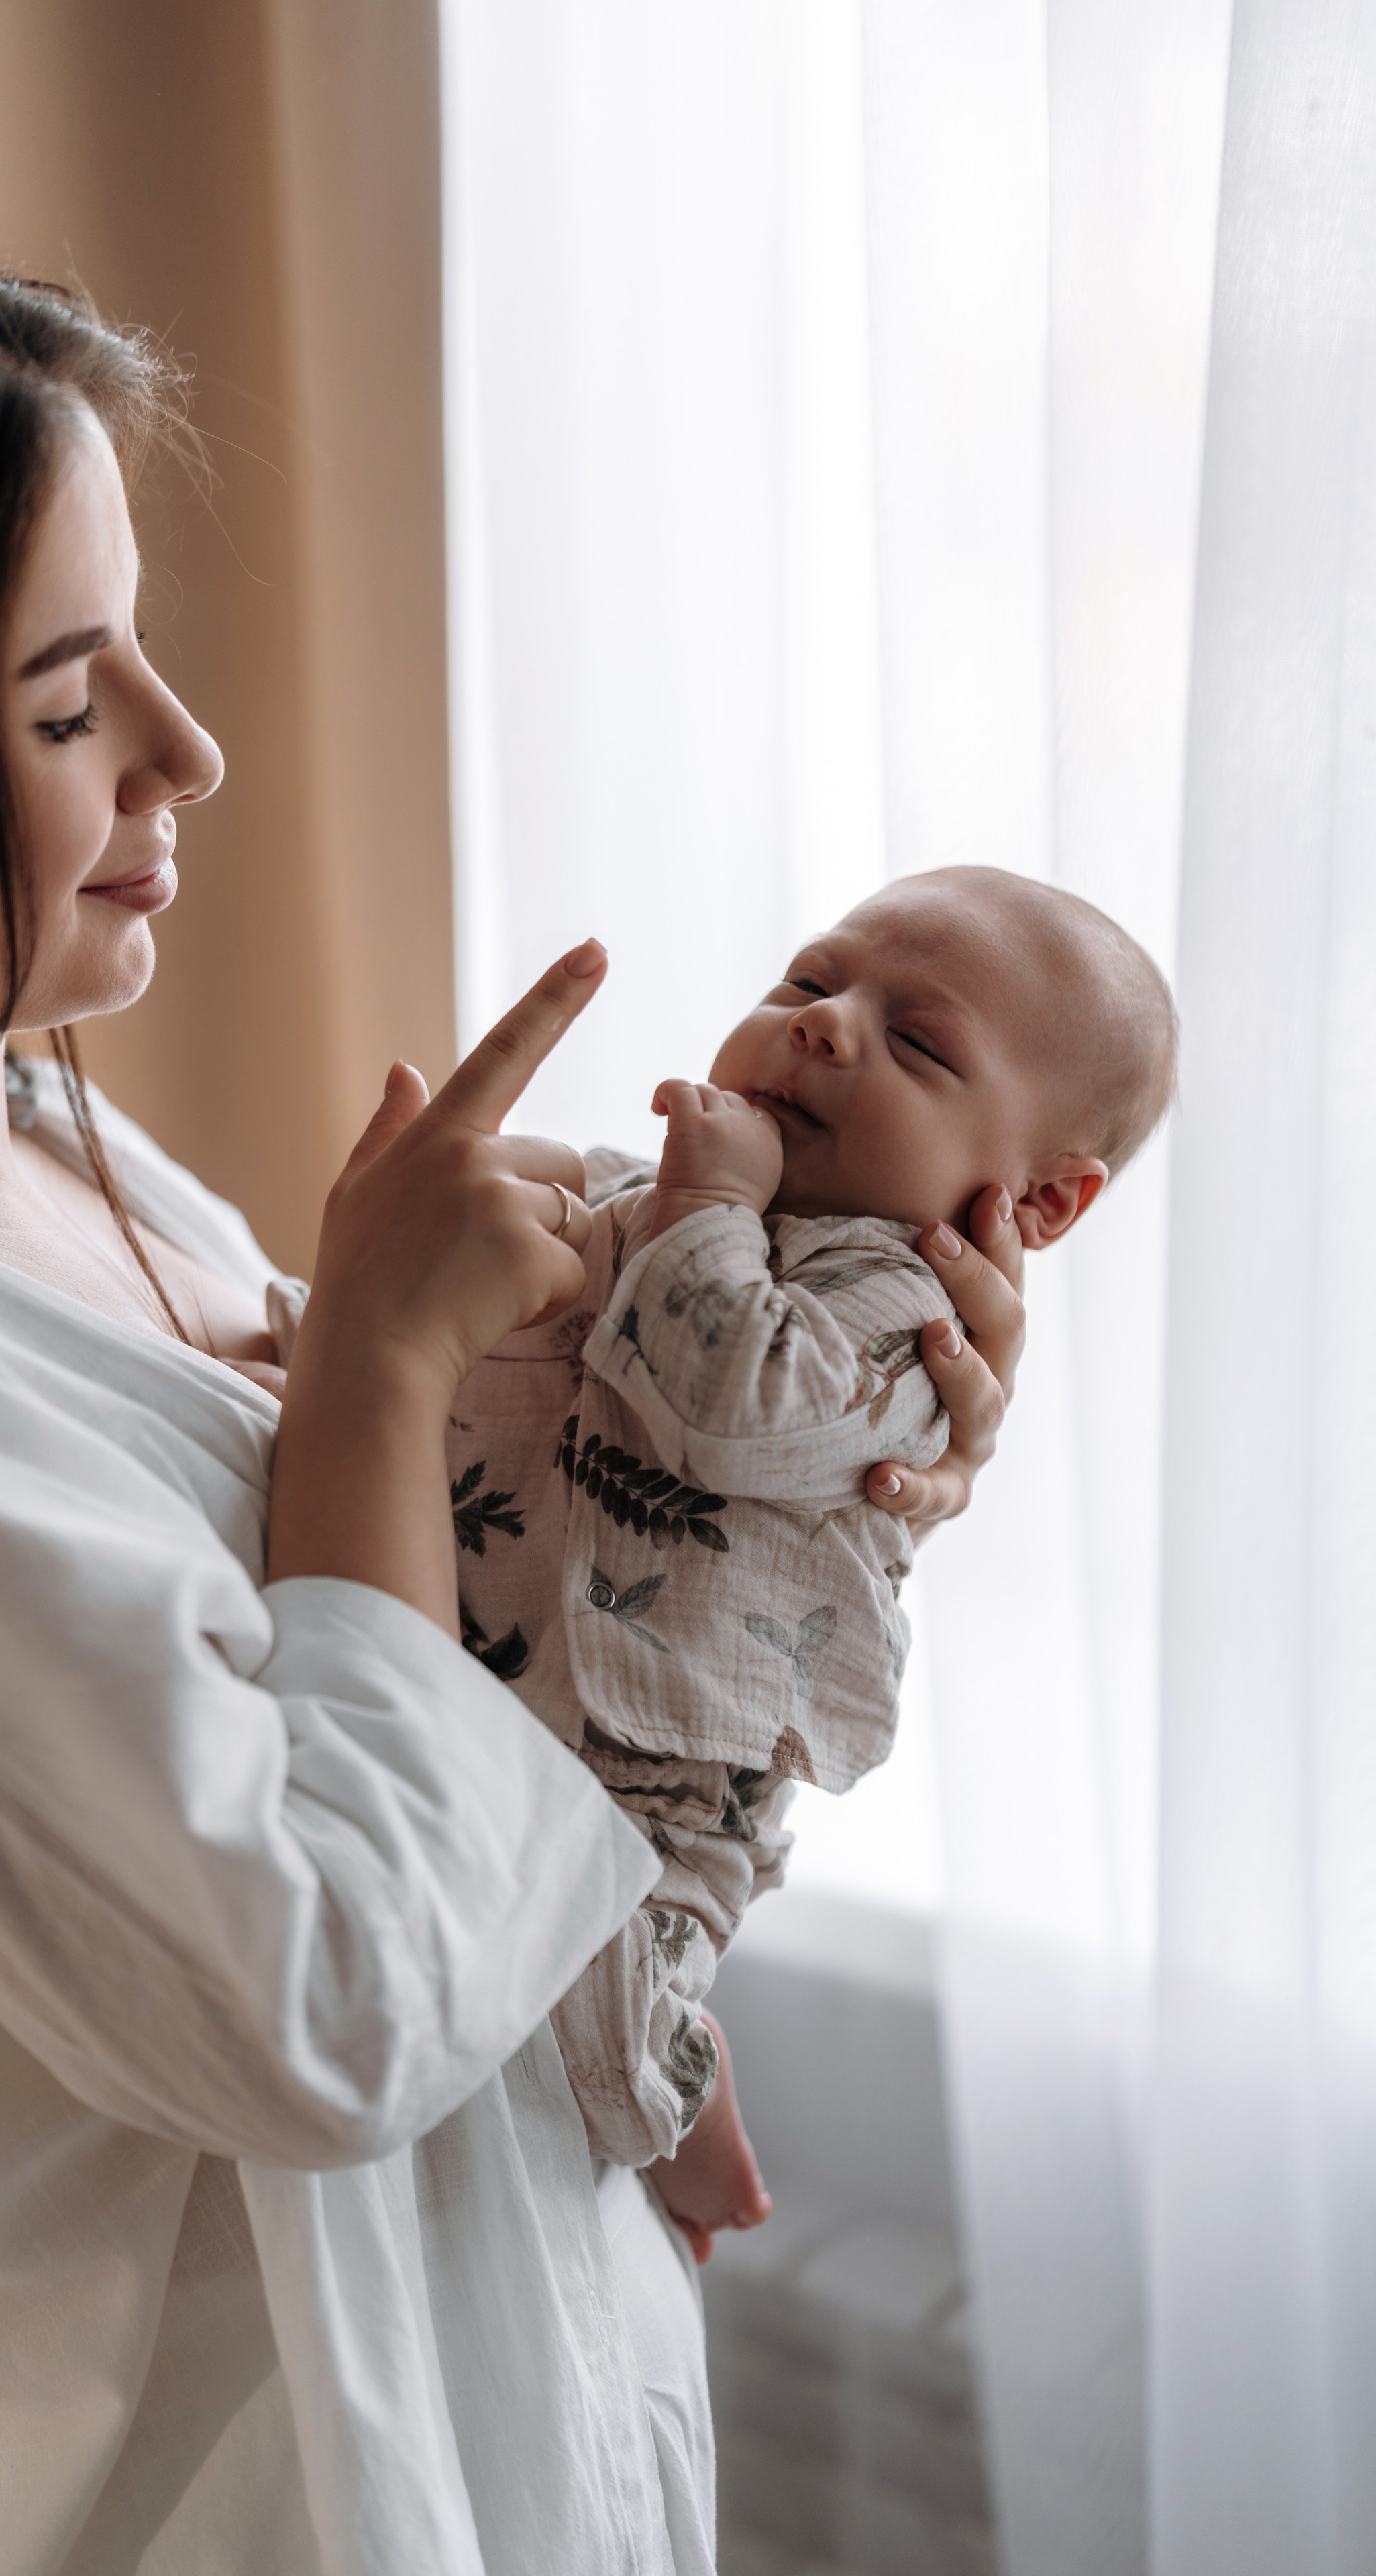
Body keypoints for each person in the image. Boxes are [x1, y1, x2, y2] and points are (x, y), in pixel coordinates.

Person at [0, 217, 1025, 2576]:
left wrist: (789, 1453)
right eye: (67, 705)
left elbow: (466, 1634)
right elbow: (324, 1997)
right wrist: (382, 1355)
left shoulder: (74, 1154)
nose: (191, 748)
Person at [321, 870, 1171, 2252]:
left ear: (1042, 1200)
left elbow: (725, 1395)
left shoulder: (903, 1319)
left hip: (652, 1787)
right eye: (804, 982)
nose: (822, 1026)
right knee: (458, 1935)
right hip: (484, 1673)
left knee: (585, 2025)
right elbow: (447, 1308)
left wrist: (702, 1201)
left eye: (918, 1043)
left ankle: (675, 2079)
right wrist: (318, 1321)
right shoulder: (649, 1202)